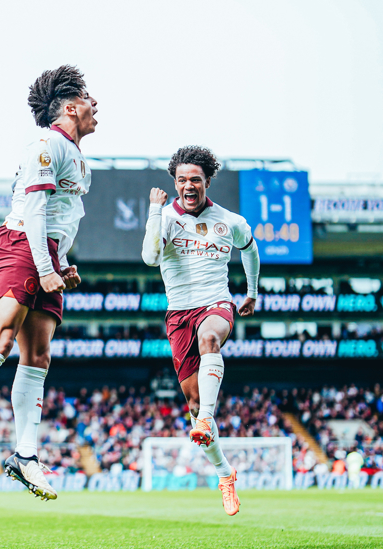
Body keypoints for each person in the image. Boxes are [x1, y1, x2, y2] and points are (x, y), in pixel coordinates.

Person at [0, 65, 98, 500]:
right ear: (70, 107)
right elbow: (32, 208)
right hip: (19, 245)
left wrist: (59, 261)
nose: (94, 104)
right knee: (1, 337)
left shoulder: (77, 157)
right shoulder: (47, 145)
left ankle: (25, 456)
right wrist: (45, 266)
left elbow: (59, 218)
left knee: (39, 354)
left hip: (44, 252)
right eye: (87, 97)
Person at [141, 146, 260, 516]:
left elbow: (250, 251)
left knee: (210, 338)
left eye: (195, 179)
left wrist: (251, 292)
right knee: (192, 404)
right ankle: (225, 474)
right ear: (174, 184)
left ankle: (206, 419)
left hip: (216, 303)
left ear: (207, 181)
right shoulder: (165, 216)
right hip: (178, 313)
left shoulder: (231, 221)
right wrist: (153, 212)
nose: (188, 185)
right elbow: (149, 257)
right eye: (181, 180)